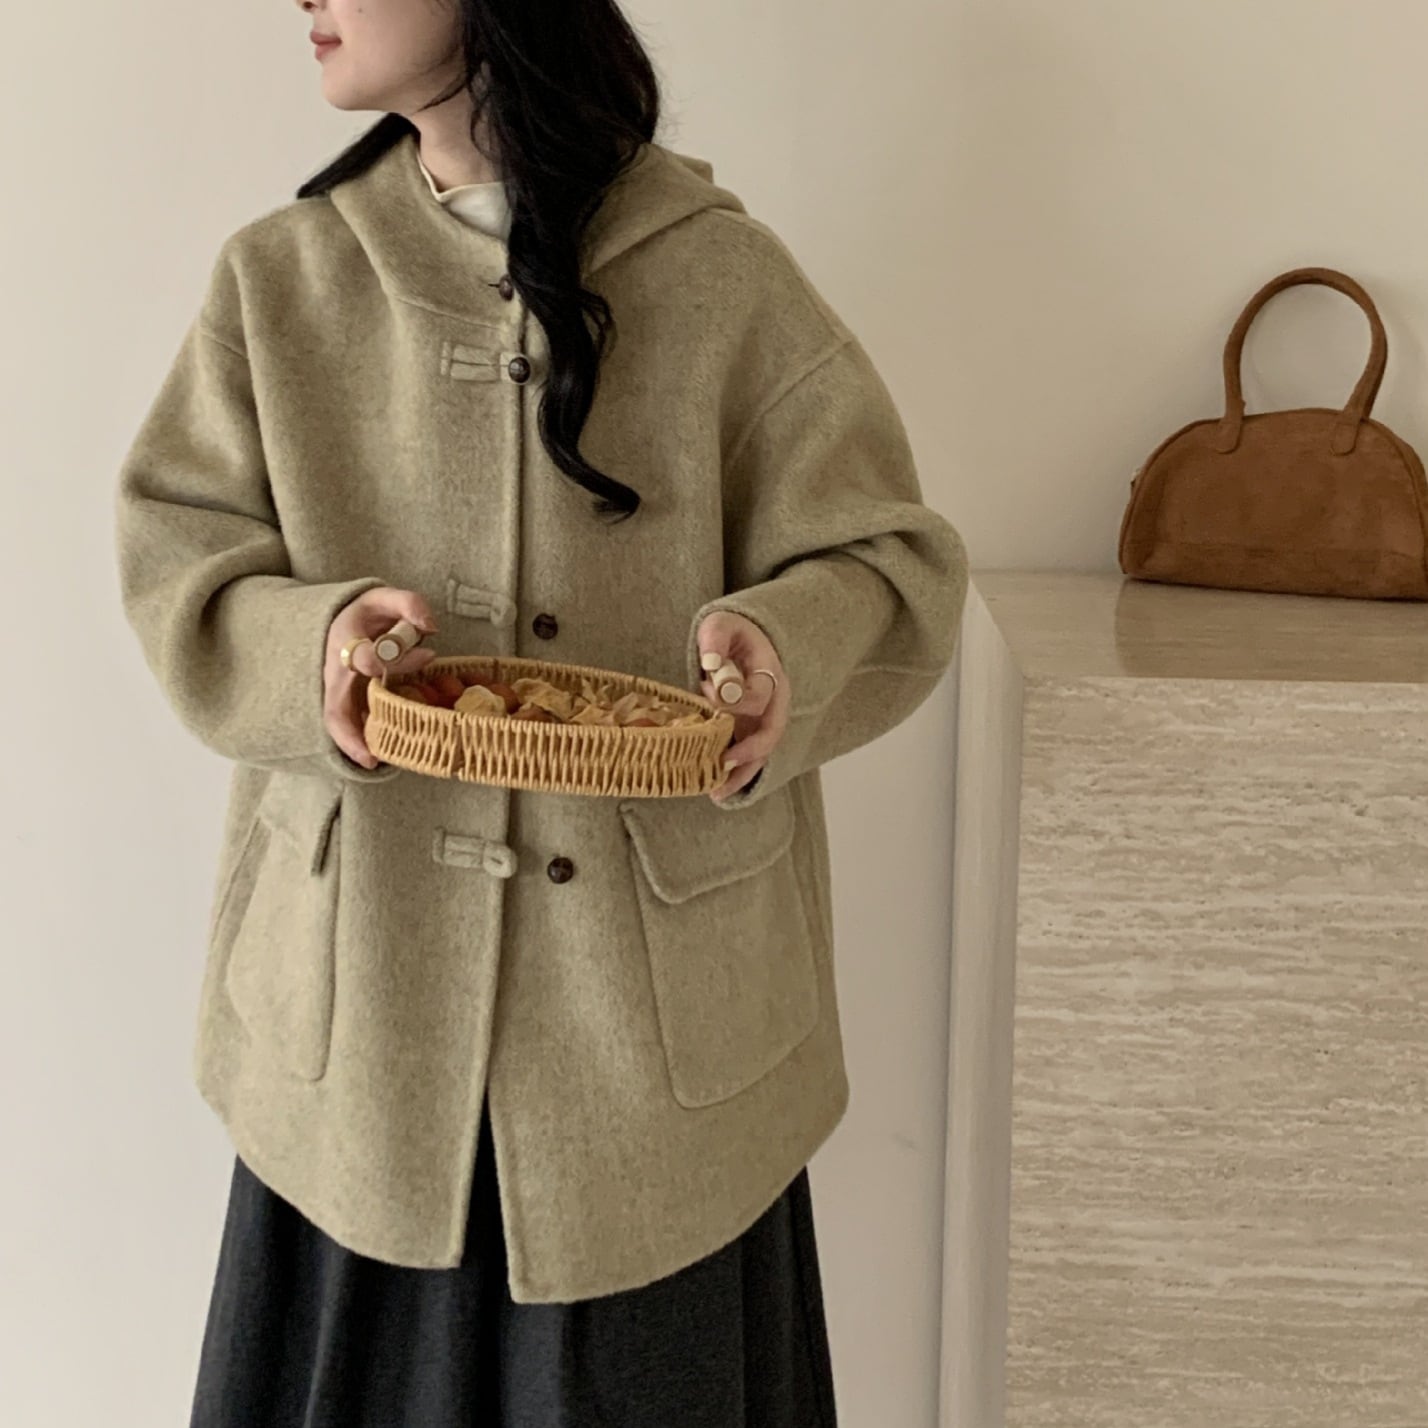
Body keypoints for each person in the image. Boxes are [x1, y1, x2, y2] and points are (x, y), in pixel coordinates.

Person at [112, 0, 970, 1423]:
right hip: (365, 1026)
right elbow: (177, 557)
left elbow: (891, 565)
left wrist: (782, 652)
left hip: (650, 1068)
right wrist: (314, 649)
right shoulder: (284, 279)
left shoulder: (723, 280)